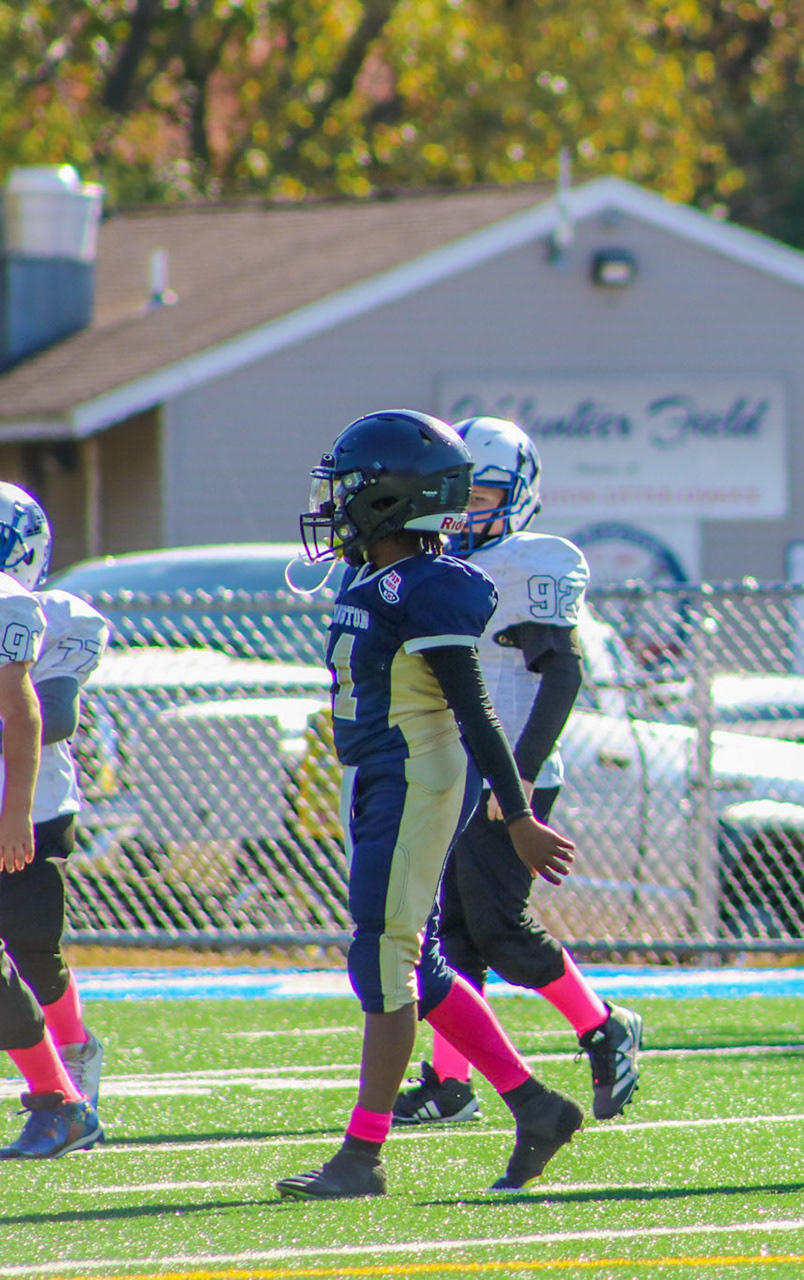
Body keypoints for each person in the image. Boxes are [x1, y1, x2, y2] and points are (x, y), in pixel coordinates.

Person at [277, 409, 583, 1199]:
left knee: (383, 957)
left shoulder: (436, 583)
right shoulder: (374, 575)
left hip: (417, 777)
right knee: (418, 959)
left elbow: (476, 709)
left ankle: (362, 1154)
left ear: (393, 498)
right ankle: (536, 1106)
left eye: (350, 488)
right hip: (384, 774)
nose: (334, 503)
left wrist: (519, 814)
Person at [392, 416, 644, 1129]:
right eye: (458, 495)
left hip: (509, 772)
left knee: (500, 929)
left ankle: (603, 1026)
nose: (468, 511)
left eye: (483, 496)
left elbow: (563, 671)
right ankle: (450, 1083)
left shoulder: (530, 562)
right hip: (449, 767)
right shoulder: (429, 564)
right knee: (452, 935)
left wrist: (522, 779)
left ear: (520, 495)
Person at [0, 485, 109, 1112]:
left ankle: (73, 1050)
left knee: (30, 948)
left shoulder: (53, 615)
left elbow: (56, 716)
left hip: (33, 808)